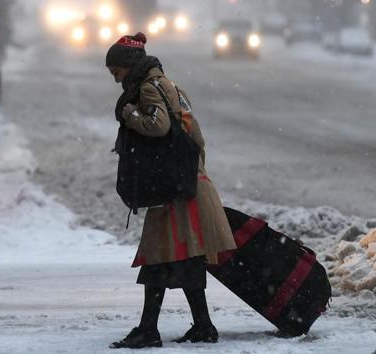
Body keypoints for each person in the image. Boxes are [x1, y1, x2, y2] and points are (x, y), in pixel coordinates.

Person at [105, 32, 237, 349]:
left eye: (116, 72)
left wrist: (129, 114)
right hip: (187, 185)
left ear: (128, 65)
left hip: (176, 191)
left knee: (157, 256)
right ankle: (202, 326)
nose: (115, 79)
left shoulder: (149, 89)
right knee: (185, 257)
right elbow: (196, 137)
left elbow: (158, 126)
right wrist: (196, 172)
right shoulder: (171, 86)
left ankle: (149, 330)